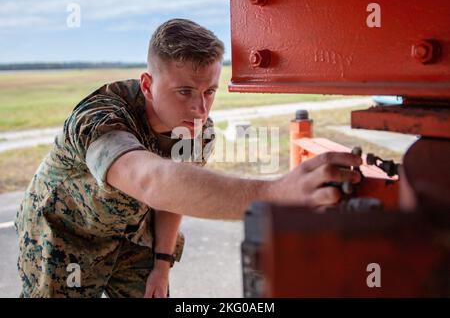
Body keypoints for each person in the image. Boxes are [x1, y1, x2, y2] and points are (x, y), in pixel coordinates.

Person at [15, 18, 362, 298]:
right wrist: (275, 193)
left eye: (209, 91)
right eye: (184, 91)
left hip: (130, 236)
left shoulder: (196, 130)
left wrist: (161, 265)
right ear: (148, 85)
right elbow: (150, 181)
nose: (200, 109)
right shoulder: (101, 117)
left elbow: (171, 195)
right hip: (64, 239)